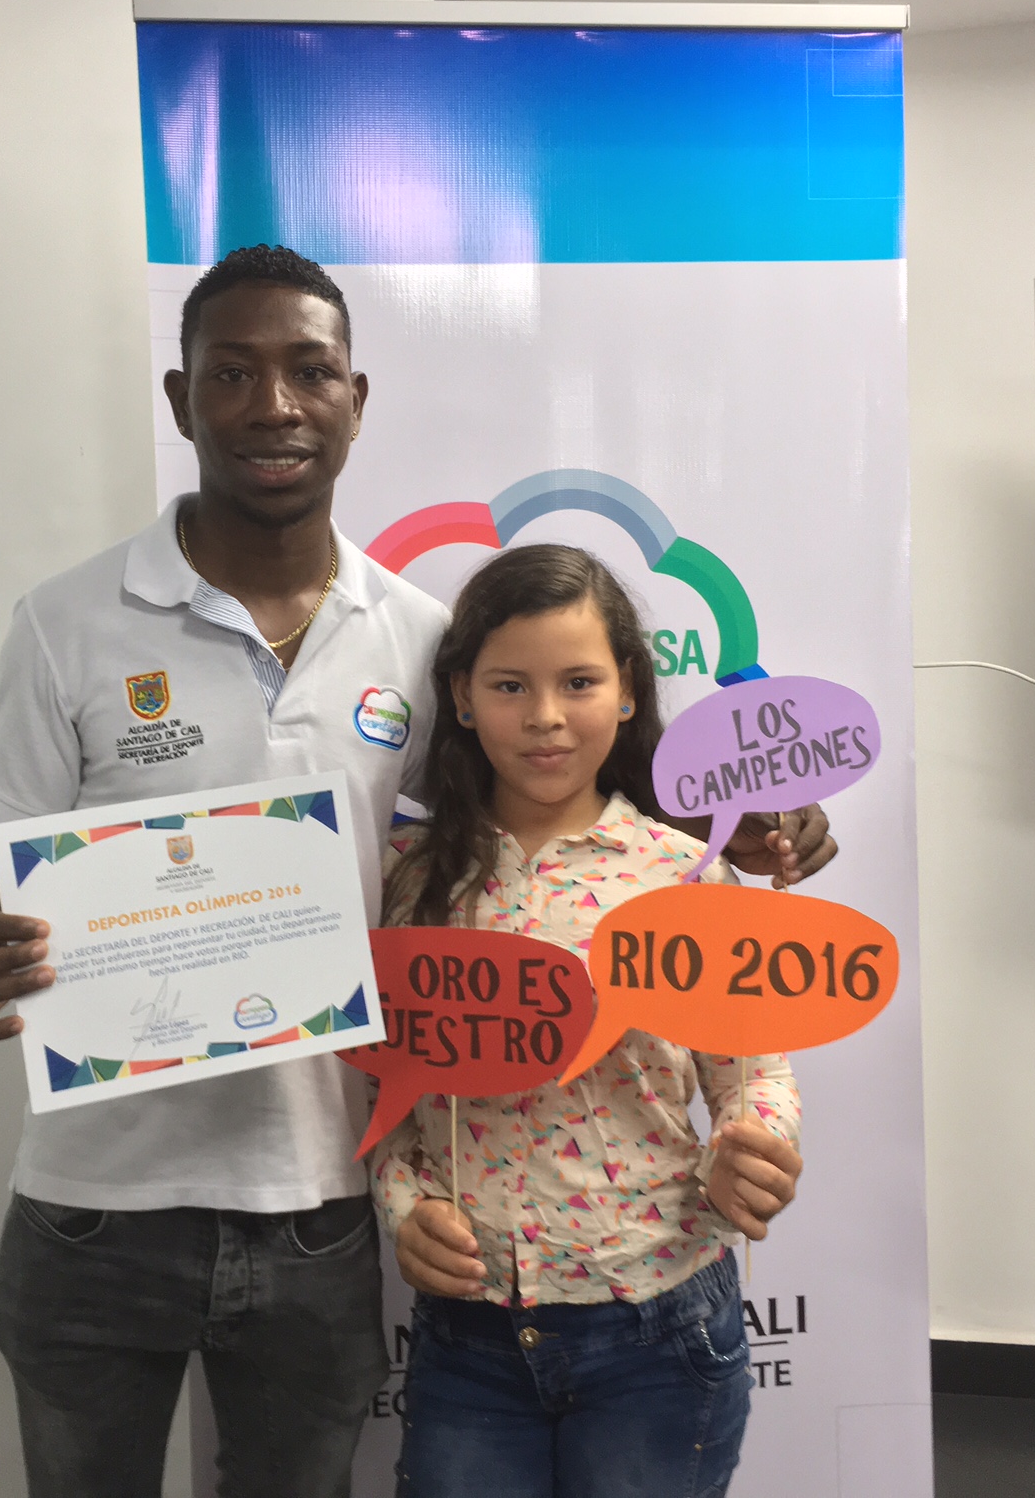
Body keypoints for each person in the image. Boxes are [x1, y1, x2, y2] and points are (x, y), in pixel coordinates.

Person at [0, 244, 838, 1498]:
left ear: (356, 401)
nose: (273, 404)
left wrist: (751, 817)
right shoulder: (66, 622)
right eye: (232, 373)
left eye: (309, 372)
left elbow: (557, 780)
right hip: (94, 1197)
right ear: (181, 398)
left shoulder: (417, 636)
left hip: (317, 1195)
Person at [371, 545, 804, 1498]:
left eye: (579, 682)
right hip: (469, 1335)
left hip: (659, 1324)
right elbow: (383, 1091)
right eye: (510, 686)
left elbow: (754, 1071)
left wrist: (756, 1145)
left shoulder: (684, 874)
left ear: (629, 690)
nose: (546, 717)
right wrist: (405, 1209)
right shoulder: (410, 880)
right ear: (462, 695)